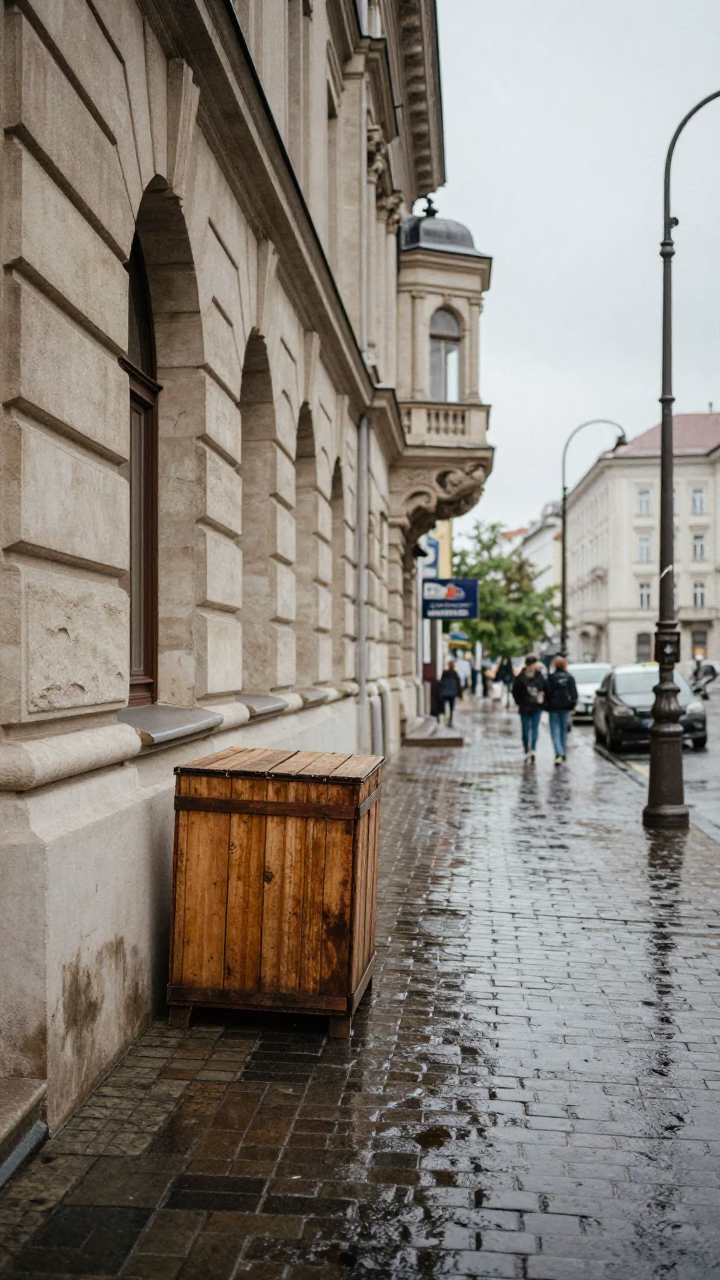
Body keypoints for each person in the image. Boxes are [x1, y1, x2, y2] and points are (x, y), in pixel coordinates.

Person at [512, 654, 547, 762]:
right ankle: (527, 748)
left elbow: (544, 688)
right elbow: (515, 691)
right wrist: (519, 703)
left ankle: (533, 749)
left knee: (535, 728)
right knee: (526, 730)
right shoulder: (521, 677)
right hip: (525, 707)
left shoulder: (539, 675)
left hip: (536, 707)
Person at [546, 655, 578, 764]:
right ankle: (562, 752)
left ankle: (558, 753)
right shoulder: (569, 677)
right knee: (563, 730)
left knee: (555, 730)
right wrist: (572, 706)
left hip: (553, 708)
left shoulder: (551, 677)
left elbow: (547, 693)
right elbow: (574, 693)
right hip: (566, 707)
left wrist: (547, 705)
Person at [438, 660, 462, 727]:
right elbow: (458, 683)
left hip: (446, 692)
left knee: (444, 704)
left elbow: (441, 681)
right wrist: (460, 694)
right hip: (452, 693)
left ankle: (445, 714)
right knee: (451, 706)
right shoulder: (455, 673)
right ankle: (450, 717)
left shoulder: (445, 673)